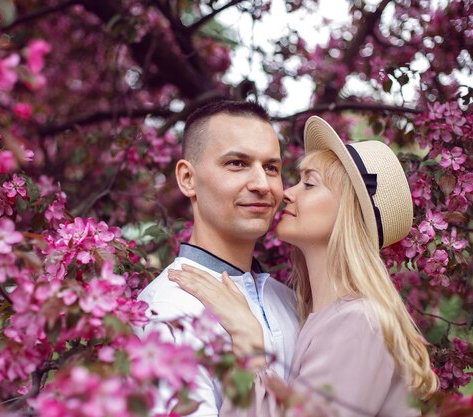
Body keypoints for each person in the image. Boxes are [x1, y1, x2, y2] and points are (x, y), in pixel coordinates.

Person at [168, 116, 439, 416]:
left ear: (346, 212)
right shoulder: (316, 315)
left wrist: (249, 344)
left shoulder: (358, 323)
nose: (286, 193)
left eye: (309, 184)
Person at [134, 101, 300, 416]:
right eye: (237, 163)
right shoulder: (168, 310)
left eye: (271, 167)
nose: (262, 185)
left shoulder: (290, 301)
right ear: (187, 179)